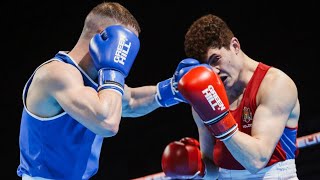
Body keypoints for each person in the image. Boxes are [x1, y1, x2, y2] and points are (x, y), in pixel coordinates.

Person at [17, 2, 200, 180]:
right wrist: (114, 70)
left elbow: (131, 101)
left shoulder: (98, 81)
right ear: (103, 38)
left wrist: (174, 89)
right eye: (123, 47)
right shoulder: (57, 74)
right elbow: (107, 123)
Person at [161, 14, 300, 179]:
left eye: (216, 59)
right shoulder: (205, 94)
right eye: (207, 66)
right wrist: (197, 168)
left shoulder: (275, 85)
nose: (215, 71)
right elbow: (213, 168)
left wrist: (218, 120)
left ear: (235, 45)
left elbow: (257, 160)